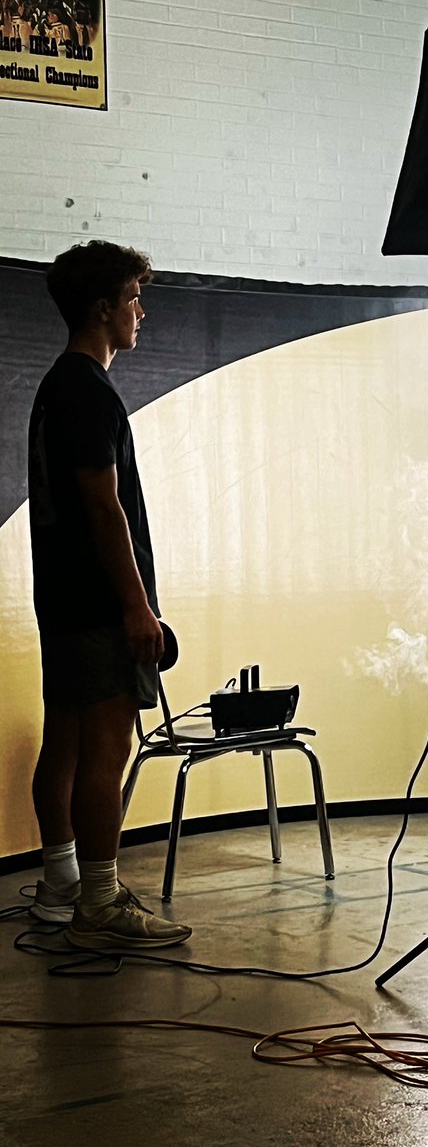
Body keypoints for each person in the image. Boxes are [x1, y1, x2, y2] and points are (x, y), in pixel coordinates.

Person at [27, 240, 191, 949]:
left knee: (64, 740)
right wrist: (135, 605)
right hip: (98, 606)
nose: (140, 312)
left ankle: (61, 883)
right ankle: (99, 900)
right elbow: (103, 506)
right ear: (103, 309)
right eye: (133, 298)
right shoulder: (89, 391)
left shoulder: (55, 388)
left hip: (61, 601)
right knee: (105, 749)